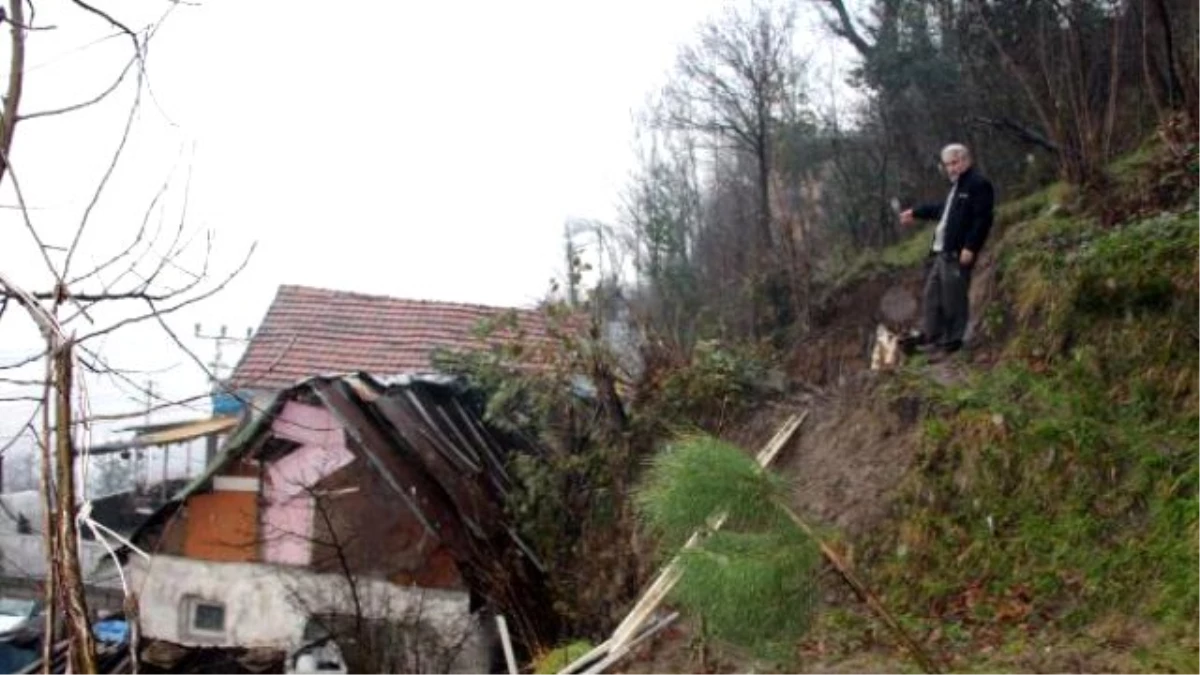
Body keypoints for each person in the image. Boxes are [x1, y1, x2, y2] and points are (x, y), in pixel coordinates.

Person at [900, 143, 995, 356]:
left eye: (955, 162)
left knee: (954, 299)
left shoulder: (978, 184)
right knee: (932, 295)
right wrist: (916, 212)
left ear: (966, 160)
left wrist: (971, 246)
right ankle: (932, 338)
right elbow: (943, 211)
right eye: (947, 164)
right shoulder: (957, 187)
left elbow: (983, 219)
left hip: (958, 252)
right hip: (942, 252)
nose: (951, 168)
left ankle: (951, 343)